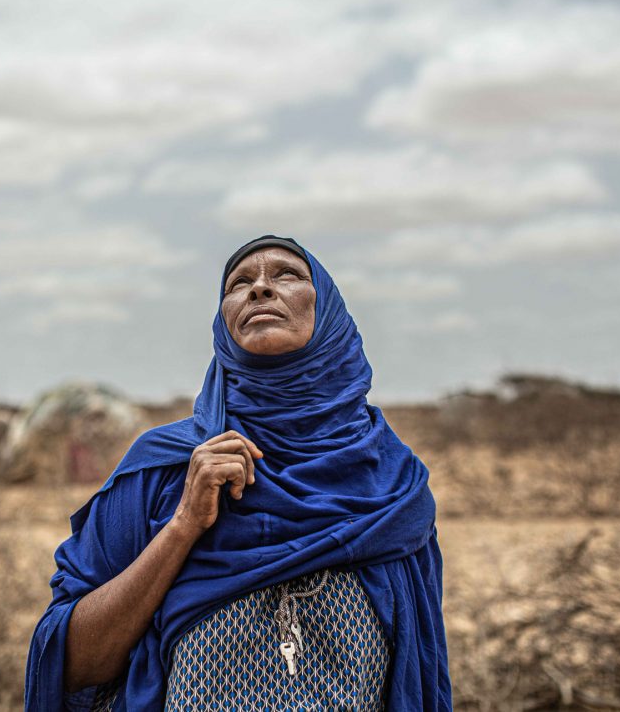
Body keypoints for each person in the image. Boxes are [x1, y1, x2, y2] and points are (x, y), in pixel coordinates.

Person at [25, 235, 451, 711]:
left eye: (287, 275)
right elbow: (75, 665)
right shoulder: (167, 465)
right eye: (239, 283)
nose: (260, 289)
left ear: (329, 312)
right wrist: (183, 525)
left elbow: (418, 671)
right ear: (223, 322)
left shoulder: (394, 486)